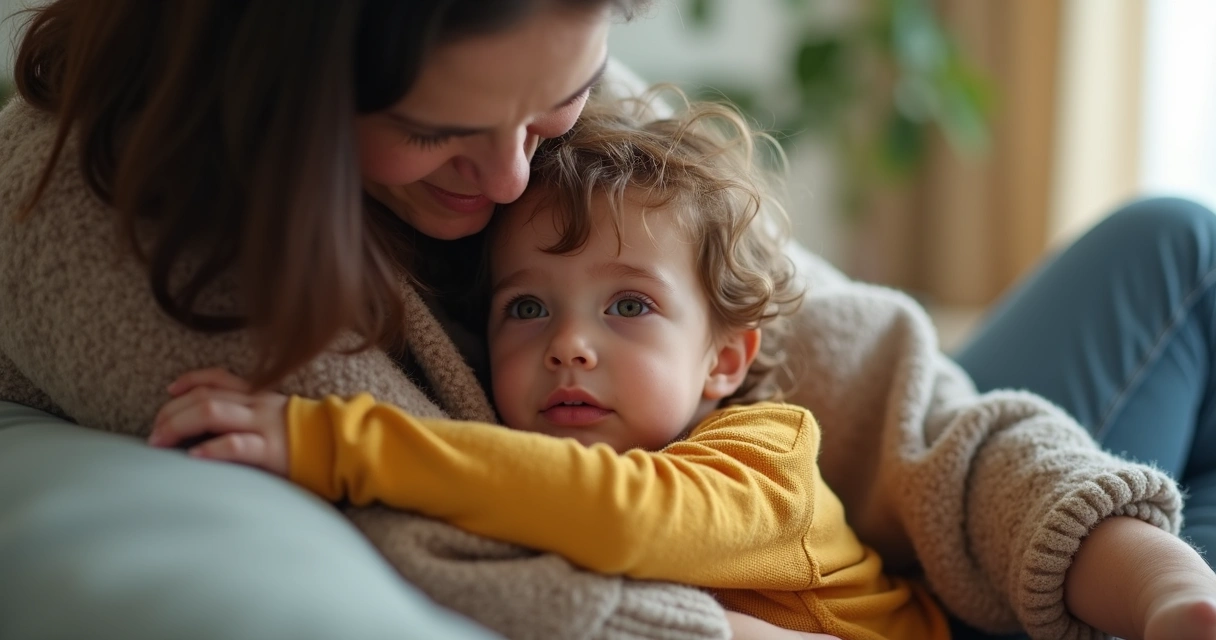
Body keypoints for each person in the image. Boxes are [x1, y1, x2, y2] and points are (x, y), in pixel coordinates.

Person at [0, 1, 1213, 639]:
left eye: (562, 107)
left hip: (919, 585)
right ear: (282, 86)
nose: (520, 184)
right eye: (436, 134)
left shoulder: (754, 440)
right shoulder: (105, 225)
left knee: (1177, 249)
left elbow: (859, 376)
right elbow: (454, 555)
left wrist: (1136, 573)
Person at [148, 97, 954, 640]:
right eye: (527, 308)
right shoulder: (515, 454)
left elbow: (623, 517)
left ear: (724, 359)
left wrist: (337, 444)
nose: (568, 345)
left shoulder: (768, 460)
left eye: (629, 307)